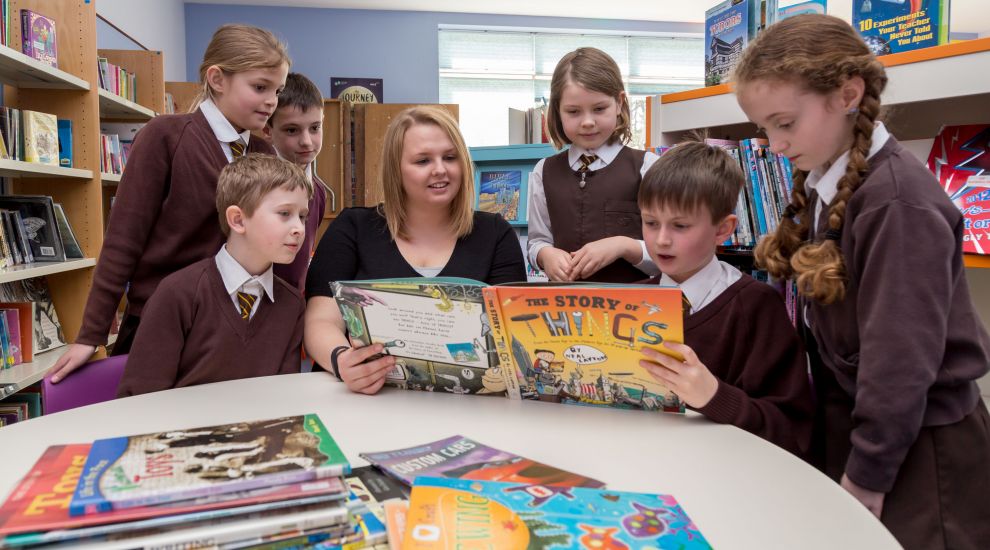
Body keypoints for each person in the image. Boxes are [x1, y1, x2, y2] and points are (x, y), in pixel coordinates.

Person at [734, 14, 990, 548]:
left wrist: (868, 474)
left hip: (917, 454)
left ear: (848, 94)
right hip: (861, 431)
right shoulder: (829, 180)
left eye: (785, 123)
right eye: (765, 128)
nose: (774, 144)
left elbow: (898, 360)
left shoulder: (897, 203)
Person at [50, 24, 290, 383]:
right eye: (260, 87)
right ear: (217, 79)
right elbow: (123, 241)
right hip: (160, 327)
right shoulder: (165, 137)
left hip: (232, 329)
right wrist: (91, 334)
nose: (272, 101)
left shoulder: (264, 153)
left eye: (278, 90)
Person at [304, 106, 526, 395]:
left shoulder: (496, 233)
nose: (440, 169)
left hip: (472, 407)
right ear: (396, 169)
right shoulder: (352, 228)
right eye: (422, 160)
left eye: (450, 157)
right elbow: (320, 319)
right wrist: (343, 360)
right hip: (369, 401)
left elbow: (511, 333)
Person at [636, 142, 813, 458]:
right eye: (650, 223)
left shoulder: (757, 307)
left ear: (723, 230)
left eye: (680, 226)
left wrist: (714, 395)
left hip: (725, 480)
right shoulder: (632, 299)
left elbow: (792, 430)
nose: (661, 239)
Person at [115, 154, 311, 397]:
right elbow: (139, 398)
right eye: (284, 213)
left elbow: (283, 396)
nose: (299, 228)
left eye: (303, 216)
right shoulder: (177, 294)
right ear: (238, 220)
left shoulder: (292, 304)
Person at [527, 47, 659, 283]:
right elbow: (537, 241)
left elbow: (667, 253)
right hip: (563, 310)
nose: (588, 122)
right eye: (573, 111)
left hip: (632, 310)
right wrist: (545, 255)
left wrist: (624, 246)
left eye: (599, 109)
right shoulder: (543, 172)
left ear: (619, 104)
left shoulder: (648, 168)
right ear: (557, 111)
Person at [263, 72, 329, 290]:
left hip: (294, 308)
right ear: (267, 130)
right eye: (292, 130)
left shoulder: (318, 191)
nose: (306, 141)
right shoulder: (257, 185)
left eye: (315, 128)